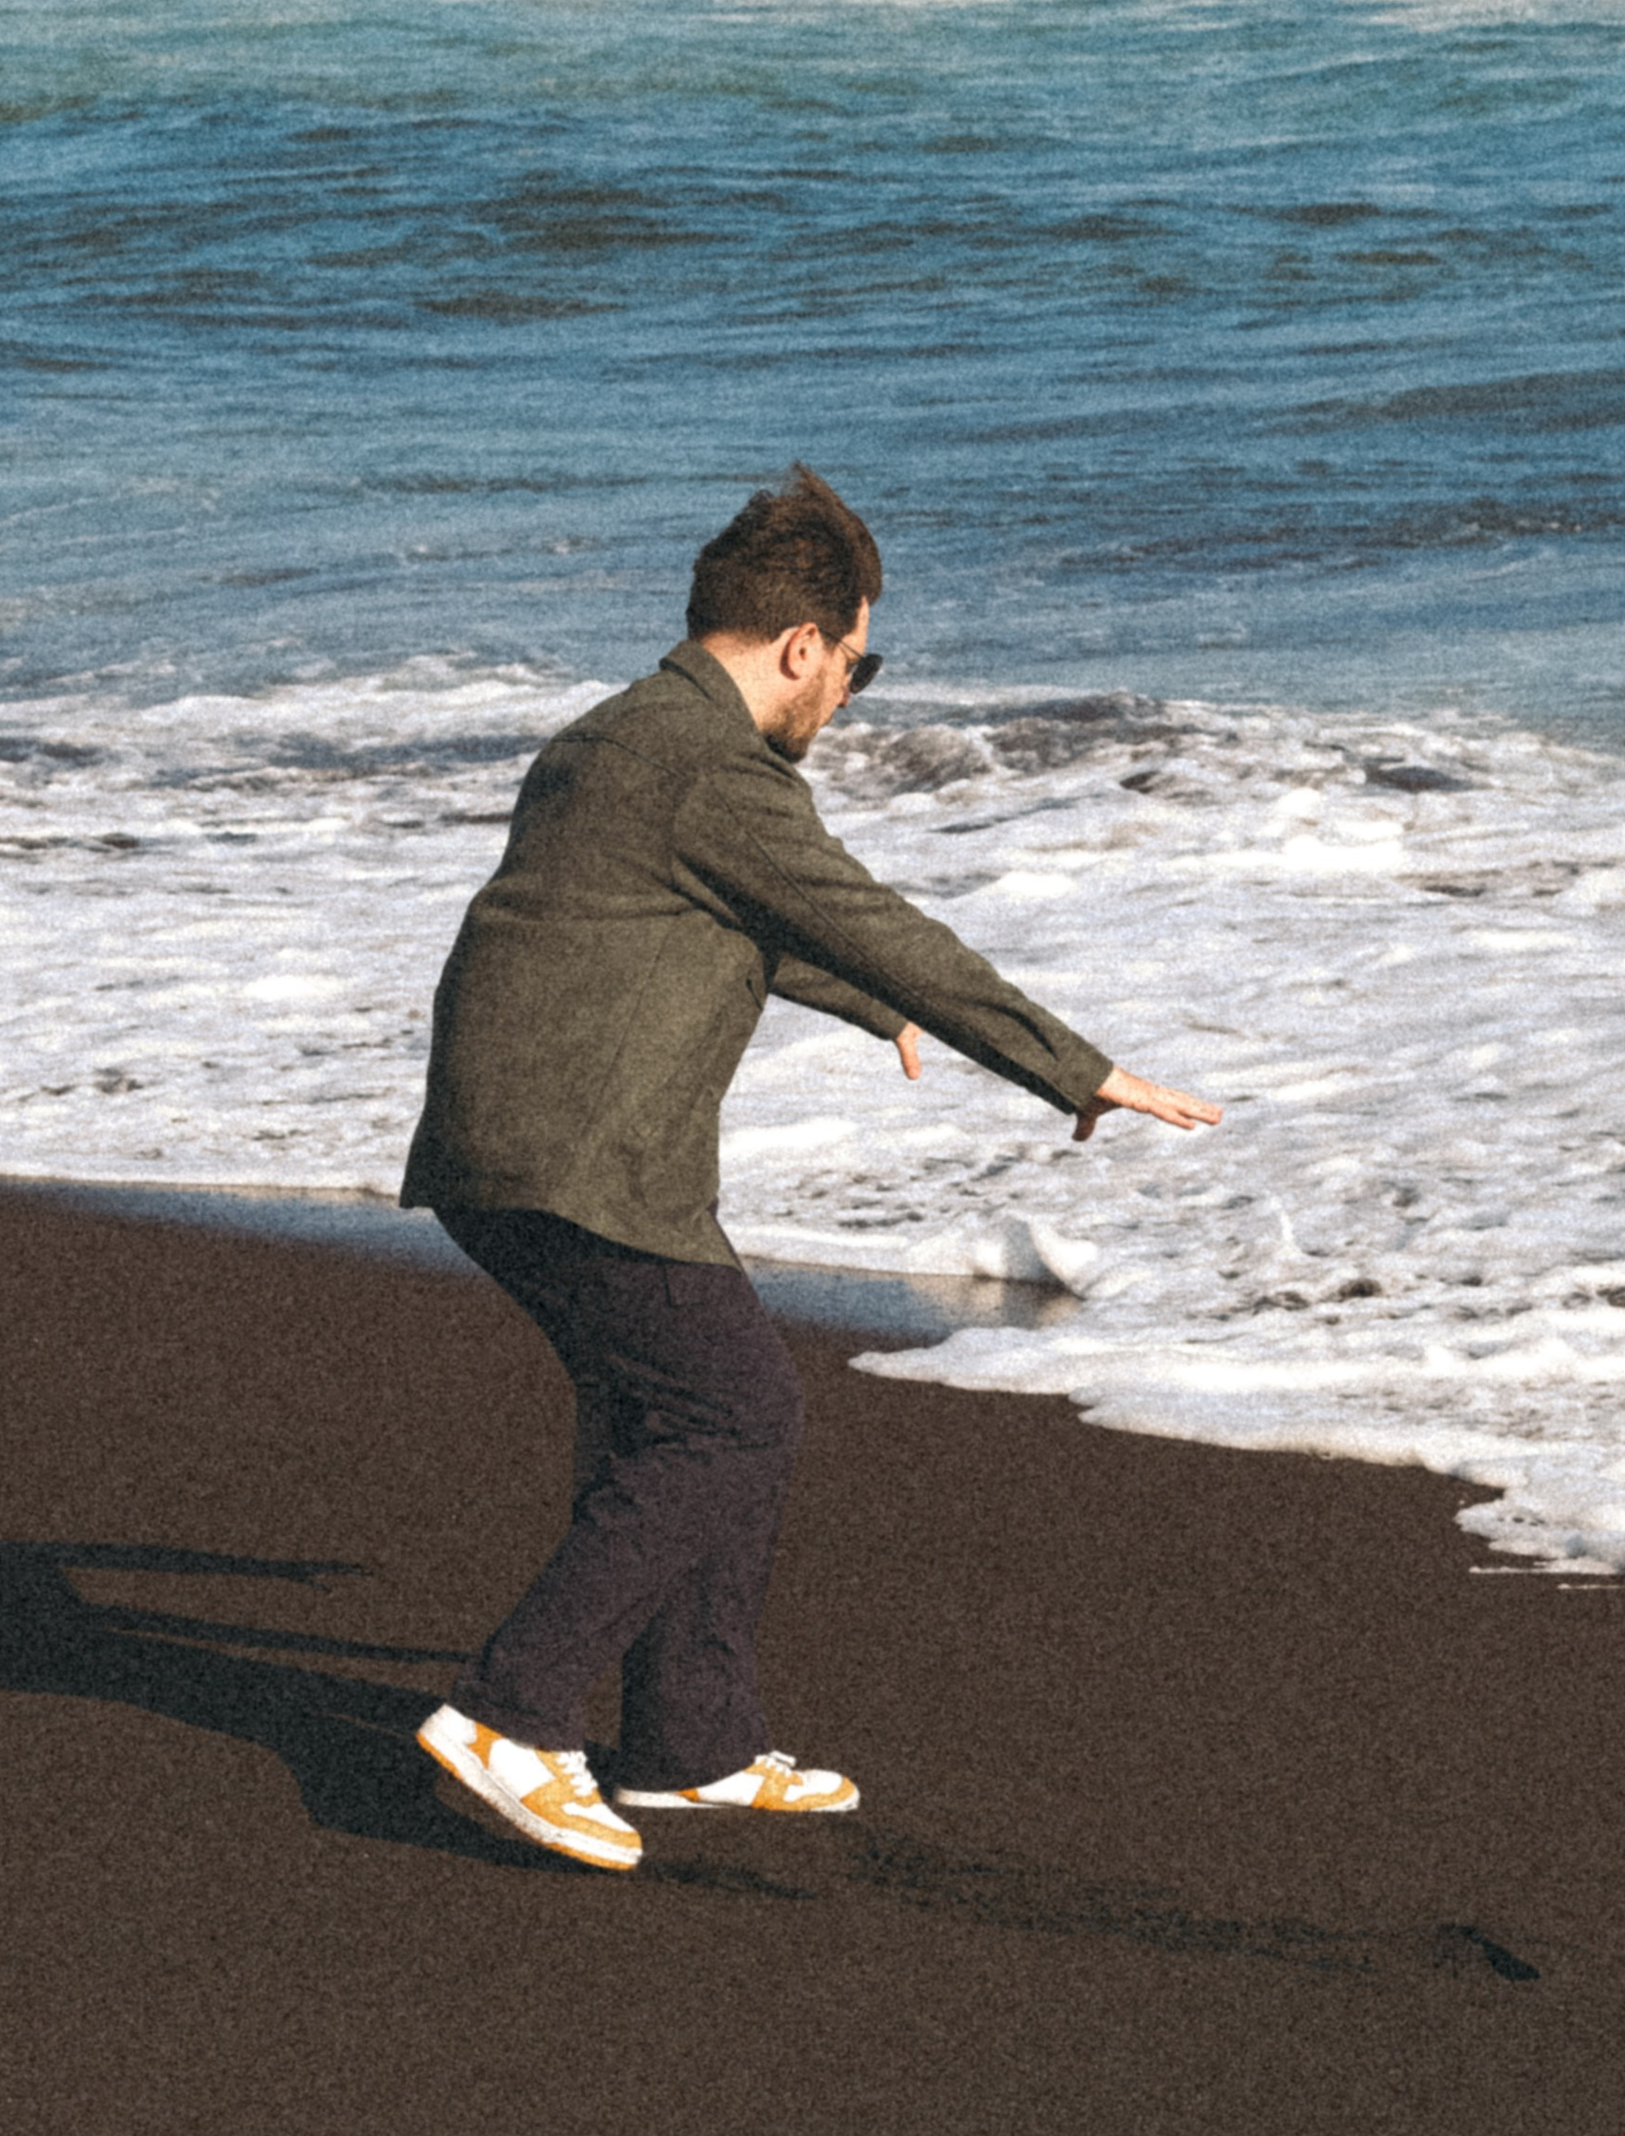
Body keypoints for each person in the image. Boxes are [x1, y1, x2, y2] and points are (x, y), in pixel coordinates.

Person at [404, 466, 1222, 1872]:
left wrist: (872, 1008)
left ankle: (689, 1742)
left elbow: (704, 916)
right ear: (802, 646)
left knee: (683, 1421)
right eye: (860, 663)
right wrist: (1069, 1066)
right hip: (577, 1157)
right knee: (734, 1420)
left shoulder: (615, 738)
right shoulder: (719, 768)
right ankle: (509, 1714)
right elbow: (867, 914)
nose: (850, 695)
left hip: (529, 1146)